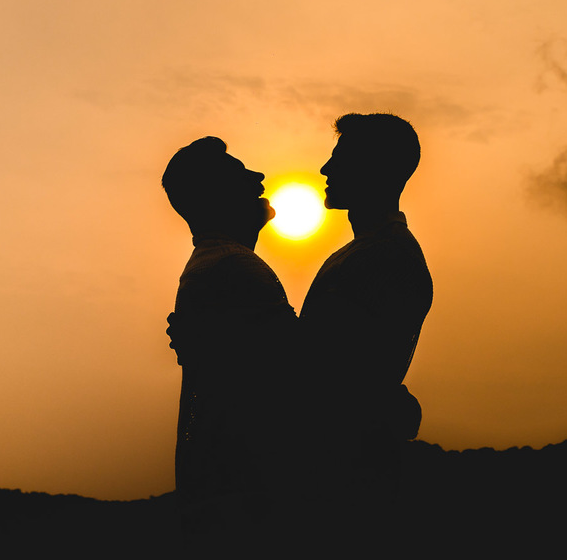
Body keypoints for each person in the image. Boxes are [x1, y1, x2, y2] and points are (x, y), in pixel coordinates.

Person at [161, 137, 296, 529]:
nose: (259, 177)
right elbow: (295, 376)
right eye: (241, 175)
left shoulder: (217, 265)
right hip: (245, 502)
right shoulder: (234, 269)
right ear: (216, 198)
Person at [299, 113, 433, 470]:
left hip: (343, 466)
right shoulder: (368, 251)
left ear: (375, 169)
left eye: (340, 159)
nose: (326, 169)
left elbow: (327, 369)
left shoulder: (384, 256)